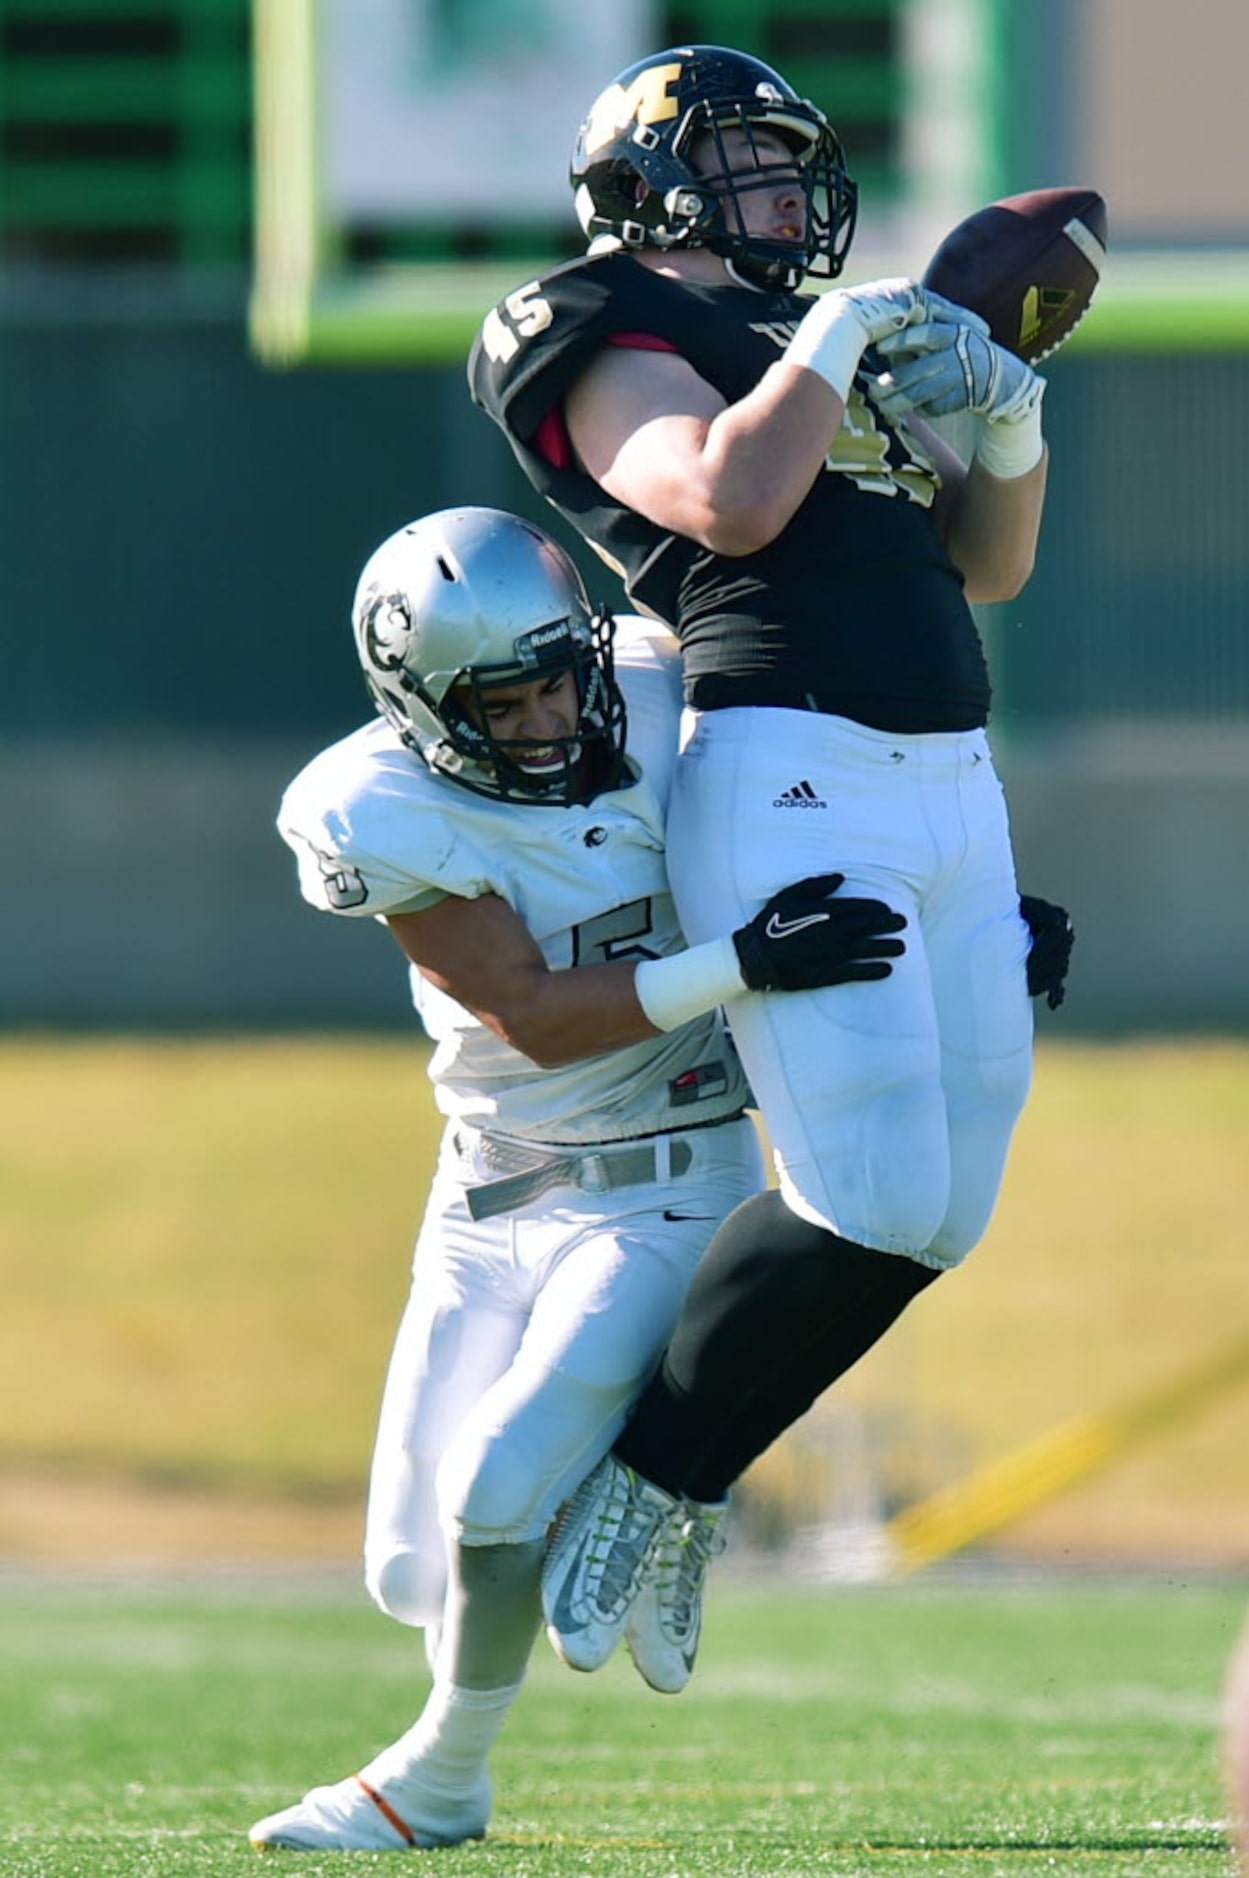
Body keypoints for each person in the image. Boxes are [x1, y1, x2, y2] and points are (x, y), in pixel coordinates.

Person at [468, 43, 1074, 1695]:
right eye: (744, 161)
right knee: (865, 1189)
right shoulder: (597, 322)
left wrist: (1006, 423)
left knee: (942, 1209)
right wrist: (836, 335)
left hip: (947, 773)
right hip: (792, 764)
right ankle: (653, 1475)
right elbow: (727, 502)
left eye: (791, 163)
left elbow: (985, 565)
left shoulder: (813, 352)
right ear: (642, 185)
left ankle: (686, 1472)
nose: (787, 194)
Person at [247, 505, 910, 1851]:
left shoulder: (669, 695)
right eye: (505, 695)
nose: (550, 713)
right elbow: (535, 1010)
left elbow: (872, 782)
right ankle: (661, 1473)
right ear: (422, 705)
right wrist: (743, 960)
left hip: (664, 1180)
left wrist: (985, 903)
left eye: (560, 674)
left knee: (492, 1484)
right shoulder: (371, 805)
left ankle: (441, 1776)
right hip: (482, 1197)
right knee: (406, 1571)